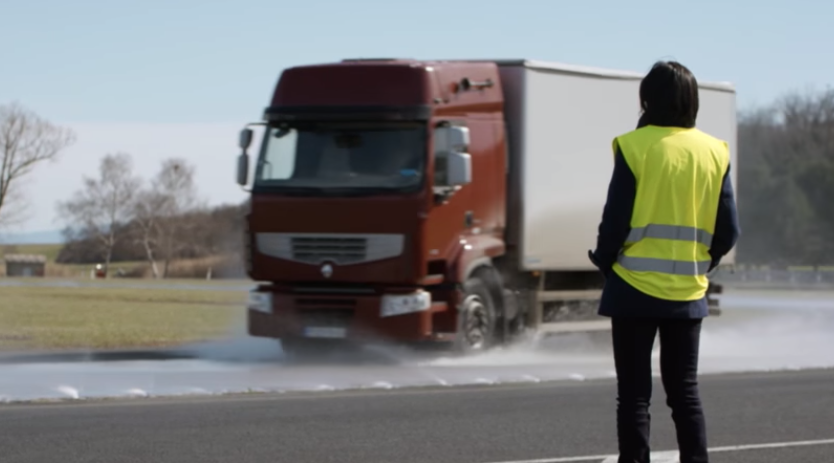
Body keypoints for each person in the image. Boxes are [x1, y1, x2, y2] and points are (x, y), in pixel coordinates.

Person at [588, 61, 741, 463]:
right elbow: (728, 231)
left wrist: (606, 262)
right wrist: (700, 263)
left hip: (632, 290)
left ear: (646, 100)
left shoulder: (634, 147)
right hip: (687, 293)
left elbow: (615, 220)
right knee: (685, 393)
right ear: (693, 101)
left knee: (635, 397)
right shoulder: (714, 151)